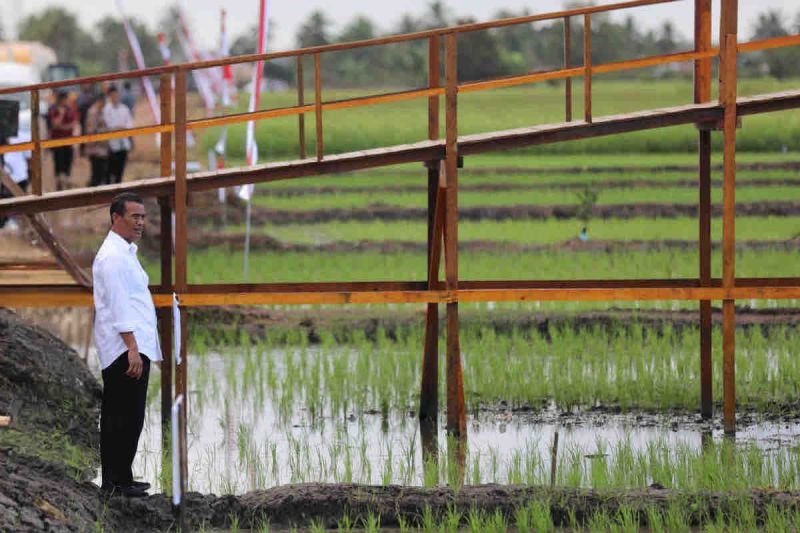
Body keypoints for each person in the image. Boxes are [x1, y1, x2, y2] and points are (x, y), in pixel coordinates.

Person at [92, 192, 162, 498]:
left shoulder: (124, 253)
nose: (140, 223)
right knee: (123, 414)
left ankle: (121, 478)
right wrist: (132, 347)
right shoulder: (112, 257)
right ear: (116, 218)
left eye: (143, 217)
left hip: (131, 346)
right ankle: (116, 483)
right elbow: (119, 306)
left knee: (128, 414)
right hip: (124, 349)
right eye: (134, 216)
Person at [0, 129, 31, 230]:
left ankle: (13, 223)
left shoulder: (23, 135)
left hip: (17, 176)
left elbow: (29, 157)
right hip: (15, 176)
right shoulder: (23, 135)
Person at [47, 91, 78, 191]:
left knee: (67, 163)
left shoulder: (71, 109)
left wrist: (62, 127)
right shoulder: (54, 109)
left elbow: (73, 124)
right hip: (57, 142)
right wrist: (61, 114)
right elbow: (55, 124)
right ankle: (59, 184)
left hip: (68, 141)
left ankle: (67, 183)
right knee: (58, 163)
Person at [103, 86, 133, 185]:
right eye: (113, 95)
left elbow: (129, 124)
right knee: (109, 170)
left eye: (116, 95)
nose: (115, 97)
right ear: (110, 96)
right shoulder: (106, 109)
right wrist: (118, 128)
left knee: (120, 170)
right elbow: (108, 125)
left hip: (123, 143)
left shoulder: (124, 109)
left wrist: (121, 128)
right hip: (111, 144)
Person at [84, 94, 109, 187]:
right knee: (97, 174)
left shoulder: (100, 111)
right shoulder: (93, 112)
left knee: (99, 174)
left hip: (101, 149)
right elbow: (91, 131)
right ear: (100, 101)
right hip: (95, 149)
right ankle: (90, 195)